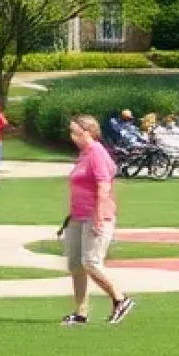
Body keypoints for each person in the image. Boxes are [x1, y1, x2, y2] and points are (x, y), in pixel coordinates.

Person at [60, 115, 133, 326]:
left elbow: (103, 186)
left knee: (91, 262)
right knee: (75, 264)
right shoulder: (84, 154)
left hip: (95, 215)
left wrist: (99, 215)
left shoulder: (97, 154)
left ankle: (120, 299)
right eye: (71, 132)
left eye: (77, 133)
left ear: (89, 132)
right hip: (77, 216)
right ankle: (81, 313)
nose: (73, 137)